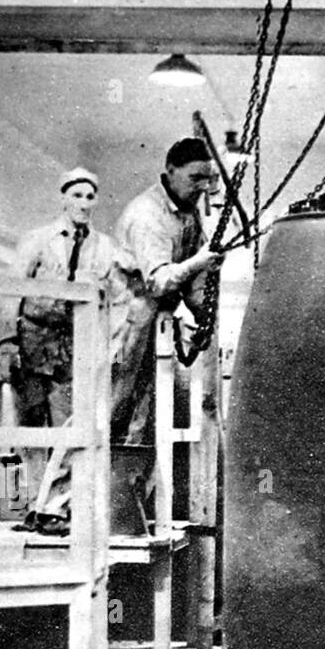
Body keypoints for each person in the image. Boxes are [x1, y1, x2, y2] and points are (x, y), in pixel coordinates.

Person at [0, 167, 129, 525]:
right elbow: (13, 290)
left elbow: (120, 294)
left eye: (90, 197)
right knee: (31, 426)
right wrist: (8, 343)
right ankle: (36, 507)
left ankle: (54, 508)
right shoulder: (38, 240)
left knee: (66, 427)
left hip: (72, 345)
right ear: (63, 198)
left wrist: (110, 342)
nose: (84, 204)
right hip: (31, 341)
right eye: (77, 196)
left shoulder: (103, 247)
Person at [112, 138, 225, 444]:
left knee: (145, 407)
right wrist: (199, 262)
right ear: (171, 171)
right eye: (195, 178)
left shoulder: (187, 211)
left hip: (156, 314)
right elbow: (158, 280)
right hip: (127, 317)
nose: (203, 186)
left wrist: (206, 314)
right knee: (114, 402)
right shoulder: (147, 215)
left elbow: (192, 278)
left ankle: (130, 481)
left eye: (208, 178)